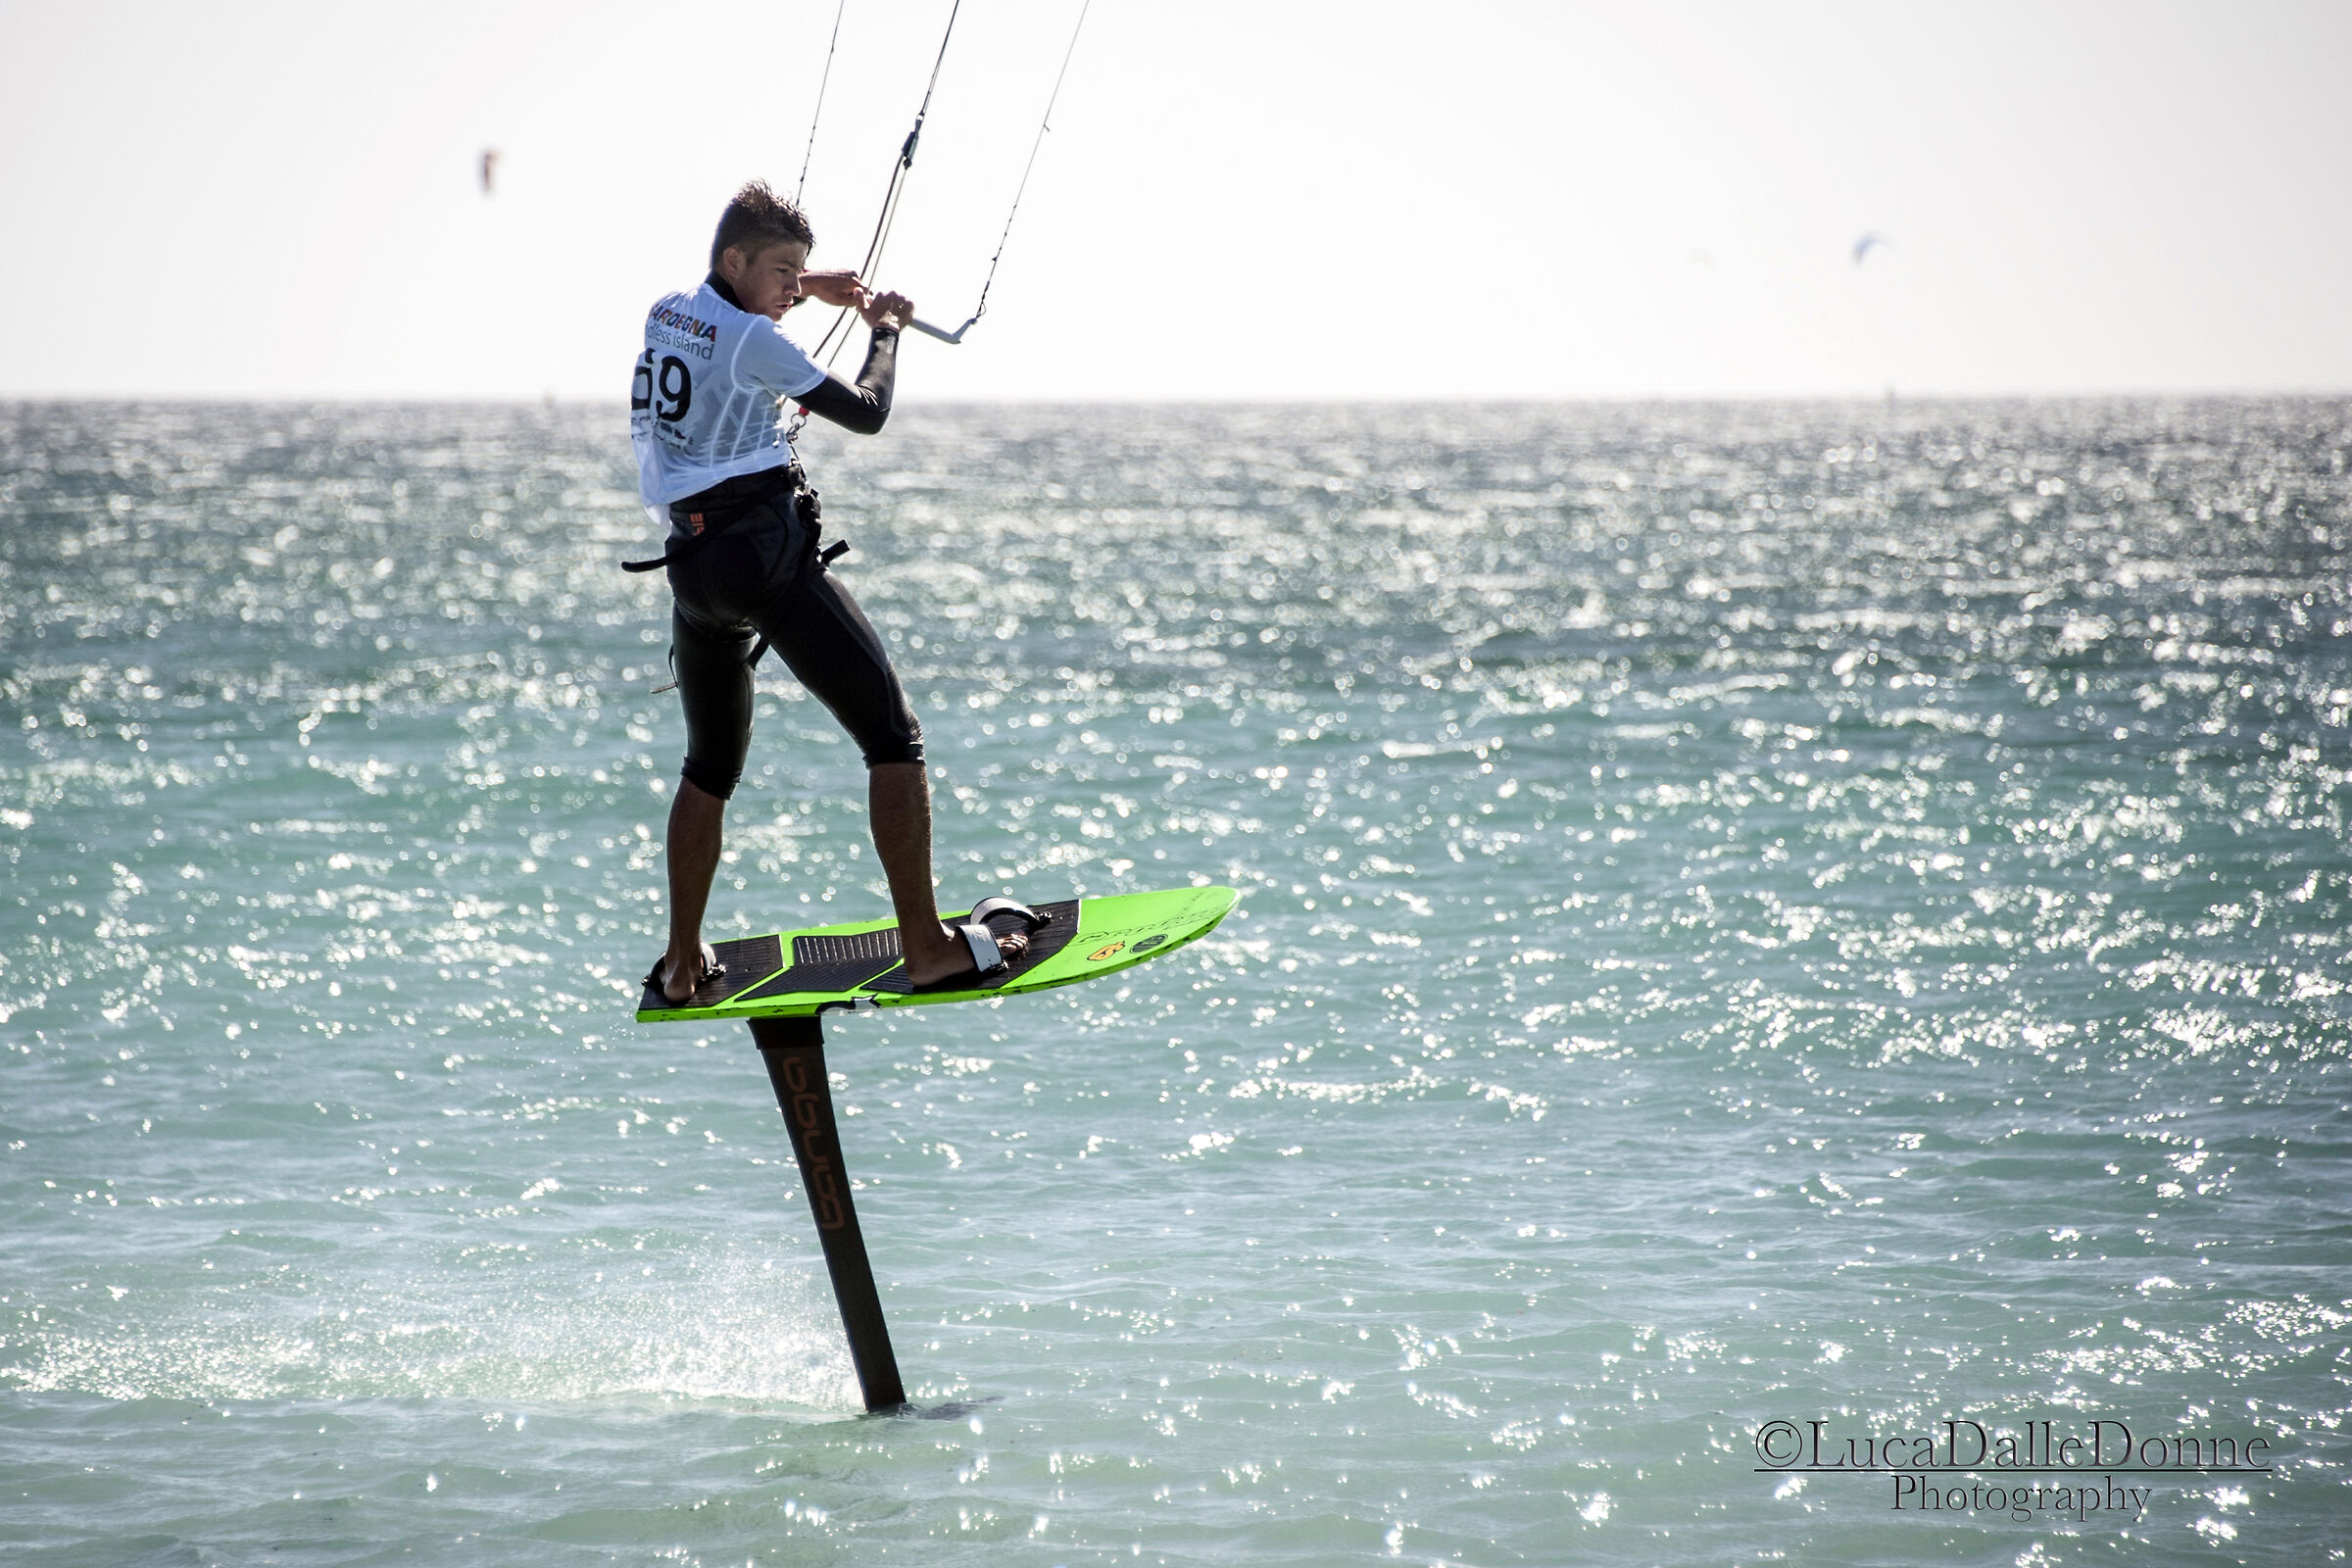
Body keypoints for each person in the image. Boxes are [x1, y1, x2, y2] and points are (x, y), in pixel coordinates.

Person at [629, 179, 1040, 1006]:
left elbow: (732, 316)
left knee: (708, 768)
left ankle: (680, 963)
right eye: (782, 271)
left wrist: (808, 286)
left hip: (693, 568)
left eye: (798, 273)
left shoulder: (667, 311)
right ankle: (927, 949)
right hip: (764, 560)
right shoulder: (756, 340)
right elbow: (867, 411)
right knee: (893, 737)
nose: (792, 287)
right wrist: (884, 329)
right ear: (736, 261)